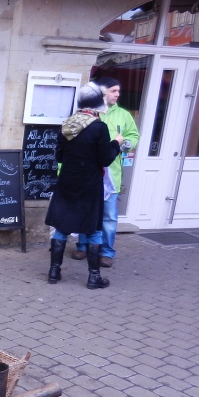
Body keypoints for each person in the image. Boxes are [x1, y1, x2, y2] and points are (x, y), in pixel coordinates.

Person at [45, 82, 122, 290]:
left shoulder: (67, 124)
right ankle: (93, 277)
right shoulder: (99, 127)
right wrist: (116, 143)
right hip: (89, 184)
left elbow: (59, 156)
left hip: (68, 182)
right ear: (98, 104)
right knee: (94, 230)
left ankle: (54, 272)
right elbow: (105, 159)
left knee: (61, 227)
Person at [71, 77, 140, 267]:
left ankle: (107, 252)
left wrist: (126, 144)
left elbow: (133, 135)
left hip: (112, 172)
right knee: (86, 210)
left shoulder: (124, 115)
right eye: (113, 91)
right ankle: (83, 246)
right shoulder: (88, 113)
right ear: (102, 93)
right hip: (89, 171)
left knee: (109, 215)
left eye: (118, 91)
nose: (117, 94)